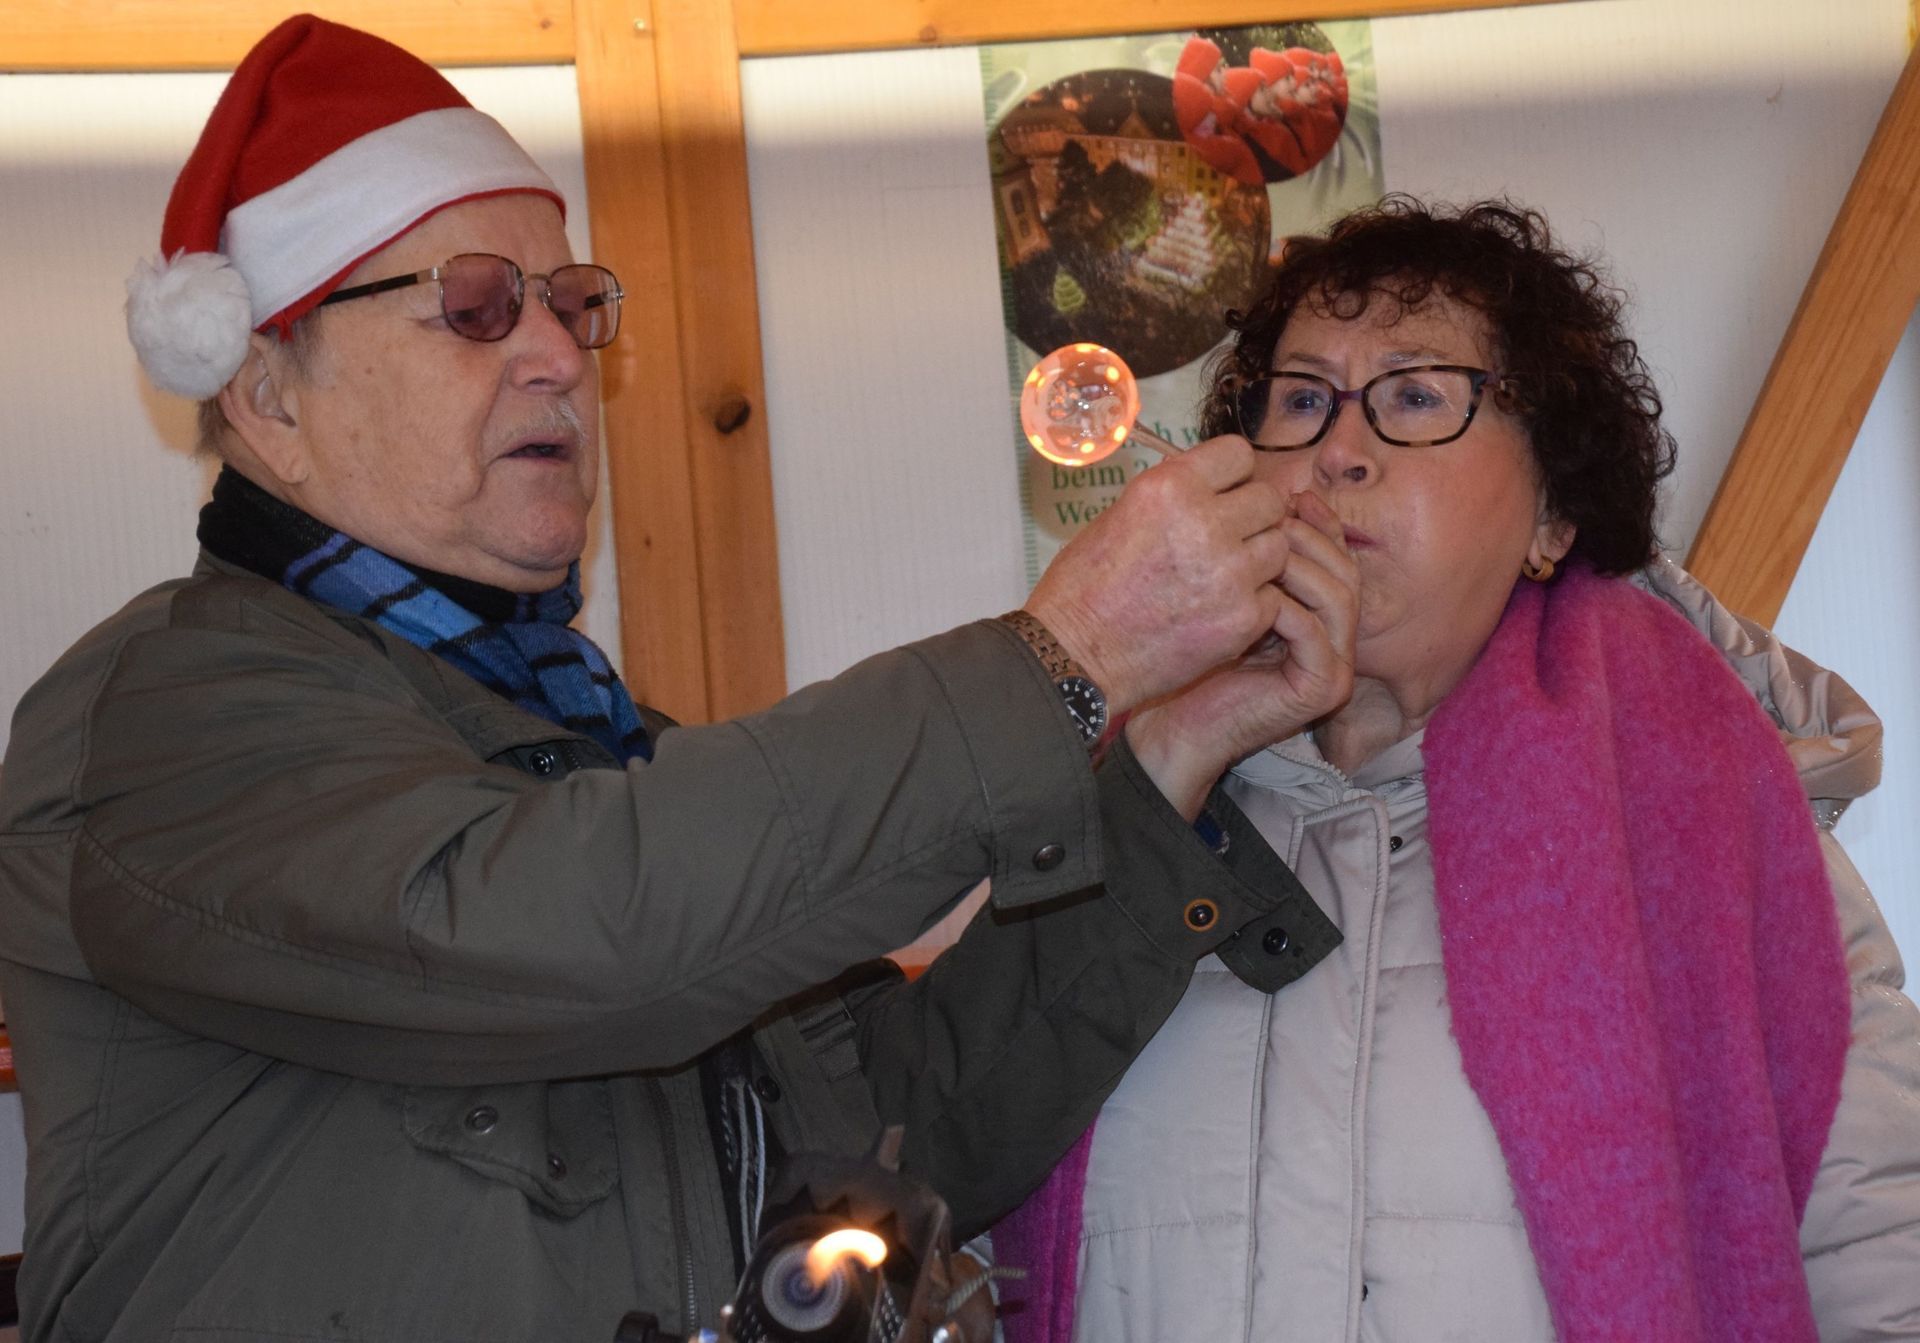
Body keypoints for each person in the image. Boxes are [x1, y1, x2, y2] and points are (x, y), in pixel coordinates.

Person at [0, 16, 1363, 1343]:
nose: (556, 355)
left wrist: (1163, 760)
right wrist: (1063, 659)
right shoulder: (156, 718)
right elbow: (575, 931)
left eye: (572, 303)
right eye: (474, 305)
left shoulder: (581, 741)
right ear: (265, 393)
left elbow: (899, 1110)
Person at [995, 197, 1920, 1342]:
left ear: (1553, 515)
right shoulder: (1117, 814)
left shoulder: (1727, 831)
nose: (1339, 450)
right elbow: (950, 1178)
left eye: (1416, 396)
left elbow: (1879, 1268)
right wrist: (1176, 741)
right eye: (1299, 400)